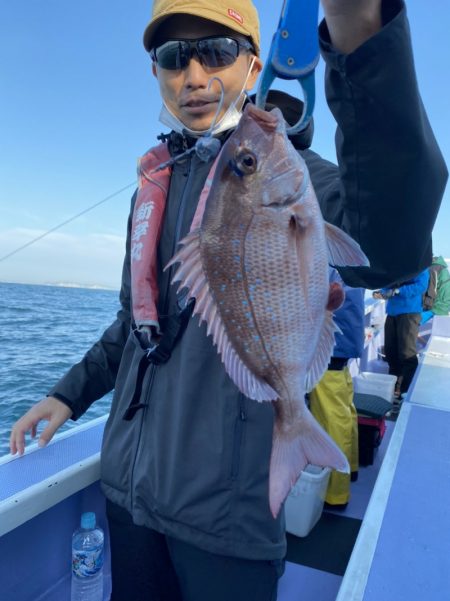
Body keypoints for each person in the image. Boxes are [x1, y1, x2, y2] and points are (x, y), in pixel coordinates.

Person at [9, 1, 448, 599]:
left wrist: (360, 34)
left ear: (253, 65)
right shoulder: (153, 187)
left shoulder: (294, 178)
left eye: (215, 51)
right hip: (128, 496)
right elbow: (135, 325)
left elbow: (393, 245)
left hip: (229, 519)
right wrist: (66, 394)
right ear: (157, 73)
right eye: (172, 57)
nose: (193, 76)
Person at [309, 271, 364, 508]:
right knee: (344, 411)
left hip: (330, 345)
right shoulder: (351, 258)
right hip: (345, 343)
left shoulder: (330, 260)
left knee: (331, 418)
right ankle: (350, 468)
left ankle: (335, 493)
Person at [373, 268, 430, 408]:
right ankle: (393, 389)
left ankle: (406, 391)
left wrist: (398, 291)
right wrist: (383, 292)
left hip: (409, 313)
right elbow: (389, 284)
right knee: (391, 352)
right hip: (392, 313)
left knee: (406, 353)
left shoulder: (421, 266)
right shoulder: (400, 265)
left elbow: (421, 286)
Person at [421, 255, 450, 324]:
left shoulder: (437, 270)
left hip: (434, 310)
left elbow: (445, 295)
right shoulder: (422, 268)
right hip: (431, 308)